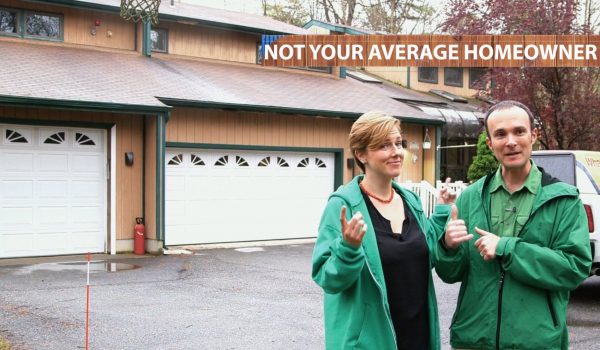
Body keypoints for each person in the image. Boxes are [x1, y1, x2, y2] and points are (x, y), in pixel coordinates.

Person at [436, 100, 592, 350]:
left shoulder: (564, 199)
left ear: (534, 136)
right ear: (490, 143)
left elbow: (574, 269)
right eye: (500, 134)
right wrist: (447, 247)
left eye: (519, 131)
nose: (510, 141)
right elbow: (450, 274)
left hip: (536, 342)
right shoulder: (470, 197)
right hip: (474, 340)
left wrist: (506, 248)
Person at [312, 111, 455, 350]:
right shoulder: (342, 205)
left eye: (398, 143)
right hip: (369, 342)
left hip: (418, 336)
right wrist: (347, 249)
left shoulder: (410, 200)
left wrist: (441, 216)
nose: (396, 152)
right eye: (383, 146)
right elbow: (327, 278)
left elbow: (422, 257)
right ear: (361, 154)